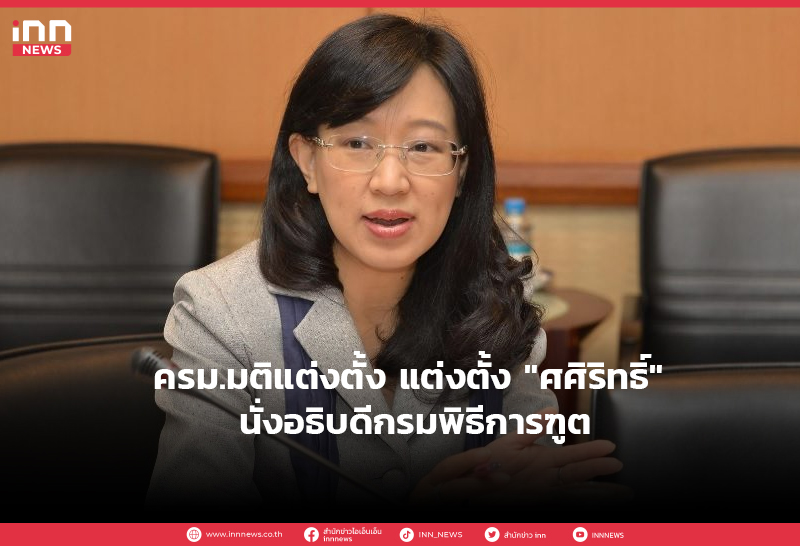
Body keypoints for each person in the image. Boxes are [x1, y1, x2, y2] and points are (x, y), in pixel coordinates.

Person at [147, 13, 621, 518]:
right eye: (357, 143)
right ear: (307, 161)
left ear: (461, 171)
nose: (390, 181)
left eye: (423, 147)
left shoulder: (501, 304)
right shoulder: (220, 312)